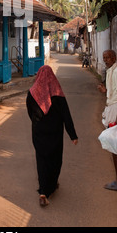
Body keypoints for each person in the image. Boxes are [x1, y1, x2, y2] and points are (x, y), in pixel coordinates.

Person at [26, 65, 78, 207]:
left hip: (38, 132)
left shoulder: (32, 92)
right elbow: (66, 114)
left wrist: (37, 123)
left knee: (41, 160)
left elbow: (30, 112)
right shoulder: (57, 92)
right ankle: (52, 185)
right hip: (55, 133)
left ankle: (43, 192)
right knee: (55, 159)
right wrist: (72, 135)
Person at [98, 49, 117, 193]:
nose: (105, 60)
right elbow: (114, 92)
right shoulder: (110, 71)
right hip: (113, 109)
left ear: (114, 58)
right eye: (104, 58)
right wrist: (105, 91)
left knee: (114, 147)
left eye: (108, 57)